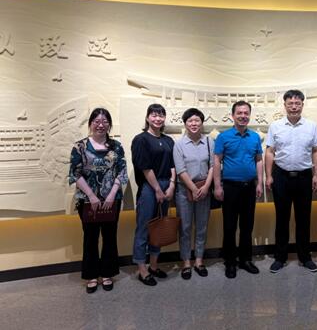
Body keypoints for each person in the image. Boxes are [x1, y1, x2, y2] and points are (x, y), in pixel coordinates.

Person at [69, 108, 128, 293]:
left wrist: (111, 195)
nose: (101, 125)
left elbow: (122, 171)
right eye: (97, 121)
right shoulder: (80, 147)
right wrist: (92, 196)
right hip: (88, 202)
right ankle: (92, 275)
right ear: (91, 124)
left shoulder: (116, 146)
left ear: (109, 125)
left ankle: (108, 274)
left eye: (104, 121)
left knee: (110, 237)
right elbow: (75, 174)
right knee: (90, 237)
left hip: (112, 200)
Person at [265, 89, 317, 273]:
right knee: (281, 219)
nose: (294, 107)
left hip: (304, 177)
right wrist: (269, 175)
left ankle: (305, 257)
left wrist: (315, 174)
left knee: (303, 219)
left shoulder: (311, 126)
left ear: (302, 105)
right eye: (290, 103)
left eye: (297, 103)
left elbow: (316, 150)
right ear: (285, 105)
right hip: (281, 176)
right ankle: (280, 258)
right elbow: (270, 151)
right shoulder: (275, 126)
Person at [213, 101, 263, 279]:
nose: (243, 116)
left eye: (246, 113)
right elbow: (217, 161)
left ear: (249, 115)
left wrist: (259, 183)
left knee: (247, 226)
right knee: (229, 226)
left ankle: (245, 260)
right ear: (233, 115)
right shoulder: (223, 137)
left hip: (249, 187)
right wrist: (217, 186)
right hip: (230, 187)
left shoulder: (255, 137)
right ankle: (230, 262)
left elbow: (258, 160)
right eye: (239, 113)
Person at [131, 103, 176, 286]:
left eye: (161, 115)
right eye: (154, 115)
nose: (158, 118)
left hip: (167, 184)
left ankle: (154, 266)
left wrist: (172, 185)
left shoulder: (168, 140)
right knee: (144, 228)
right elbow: (145, 167)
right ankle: (142, 270)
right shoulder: (140, 139)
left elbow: (173, 165)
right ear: (147, 118)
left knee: (159, 227)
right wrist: (157, 189)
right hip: (149, 187)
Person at [173, 108, 214, 280]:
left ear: (202, 123)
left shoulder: (209, 142)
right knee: (185, 227)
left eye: (197, 120)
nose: (194, 123)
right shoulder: (179, 144)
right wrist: (194, 189)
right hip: (184, 191)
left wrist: (206, 187)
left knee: (202, 226)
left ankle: (199, 260)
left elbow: (213, 166)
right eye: (190, 121)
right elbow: (180, 169)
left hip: (204, 189)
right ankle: (186, 262)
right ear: (185, 124)